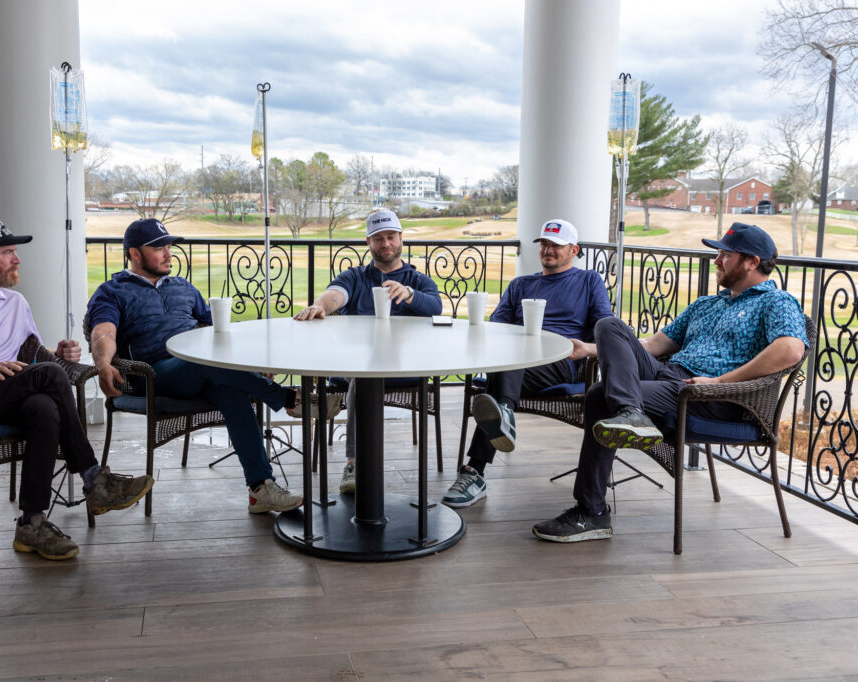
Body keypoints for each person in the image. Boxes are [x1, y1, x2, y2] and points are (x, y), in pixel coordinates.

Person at [532, 222, 808, 542]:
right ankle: (630, 412)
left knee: (598, 394)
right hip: (672, 377)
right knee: (609, 326)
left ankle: (591, 513)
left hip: (716, 397)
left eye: (724, 255)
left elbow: (790, 350)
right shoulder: (706, 305)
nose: (716, 261)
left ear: (752, 262)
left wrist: (718, 381)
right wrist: (589, 350)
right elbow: (652, 346)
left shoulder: (776, 302)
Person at [0, 218, 154, 561]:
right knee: (50, 377)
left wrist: (58, 354)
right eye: (7, 252)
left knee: (44, 408)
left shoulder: (15, 303)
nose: (16, 259)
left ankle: (31, 523)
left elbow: (32, 355)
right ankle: (95, 478)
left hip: (1, 394)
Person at [87, 218, 304, 514]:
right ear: (134, 254)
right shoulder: (112, 291)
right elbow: (103, 332)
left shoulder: (183, 287)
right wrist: (102, 363)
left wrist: (252, 360)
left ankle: (260, 488)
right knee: (200, 361)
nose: (168, 253)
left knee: (230, 390)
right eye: (158, 248)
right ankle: (288, 399)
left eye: (169, 246)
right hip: (152, 376)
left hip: (200, 369)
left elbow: (216, 327)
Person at [443, 218, 613, 508]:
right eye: (544, 244)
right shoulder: (522, 284)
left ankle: (476, 469)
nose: (548, 250)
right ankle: (502, 416)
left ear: (574, 250)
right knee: (509, 356)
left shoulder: (588, 281)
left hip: (561, 359)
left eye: (556, 246)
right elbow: (496, 327)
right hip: (517, 360)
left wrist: (588, 349)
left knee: (505, 367)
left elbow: (605, 329)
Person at [294, 209, 443, 493]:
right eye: (378, 239)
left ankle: (353, 457)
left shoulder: (417, 280)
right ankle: (354, 462)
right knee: (362, 377)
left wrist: (408, 294)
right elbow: (336, 294)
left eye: (390, 237)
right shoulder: (355, 276)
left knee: (362, 378)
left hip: (405, 369)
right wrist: (320, 306)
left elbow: (435, 307)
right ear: (369, 243)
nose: (385, 243)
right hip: (357, 368)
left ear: (400, 239)